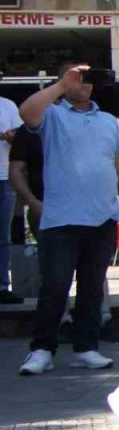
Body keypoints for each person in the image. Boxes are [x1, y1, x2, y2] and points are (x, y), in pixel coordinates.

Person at [17, 60, 119, 375]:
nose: (83, 84)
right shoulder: (53, 115)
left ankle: (86, 347)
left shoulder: (108, 120)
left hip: (102, 218)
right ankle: (42, 349)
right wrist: (60, 86)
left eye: (87, 79)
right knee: (55, 286)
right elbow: (26, 112)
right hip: (61, 219)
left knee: (92, 288)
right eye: (76, 79)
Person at [0, 90, 23, 305]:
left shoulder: (8, 105)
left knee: (3, 235)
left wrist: (12, 136)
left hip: (4, 175)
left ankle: (2, 286)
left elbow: (21, 133)